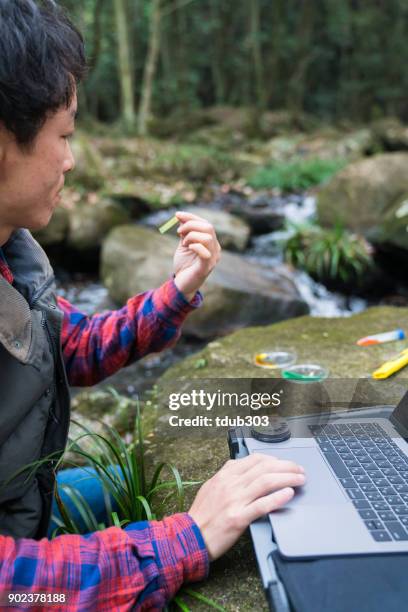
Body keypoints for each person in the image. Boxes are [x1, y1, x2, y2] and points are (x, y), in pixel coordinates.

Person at [0, 0, 306, 609]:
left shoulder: (12, 255)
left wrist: (177, 292)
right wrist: (182, 540)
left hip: (27, 506)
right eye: (64, 135)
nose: (71, 159)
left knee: (176, 480)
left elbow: (70, 348)